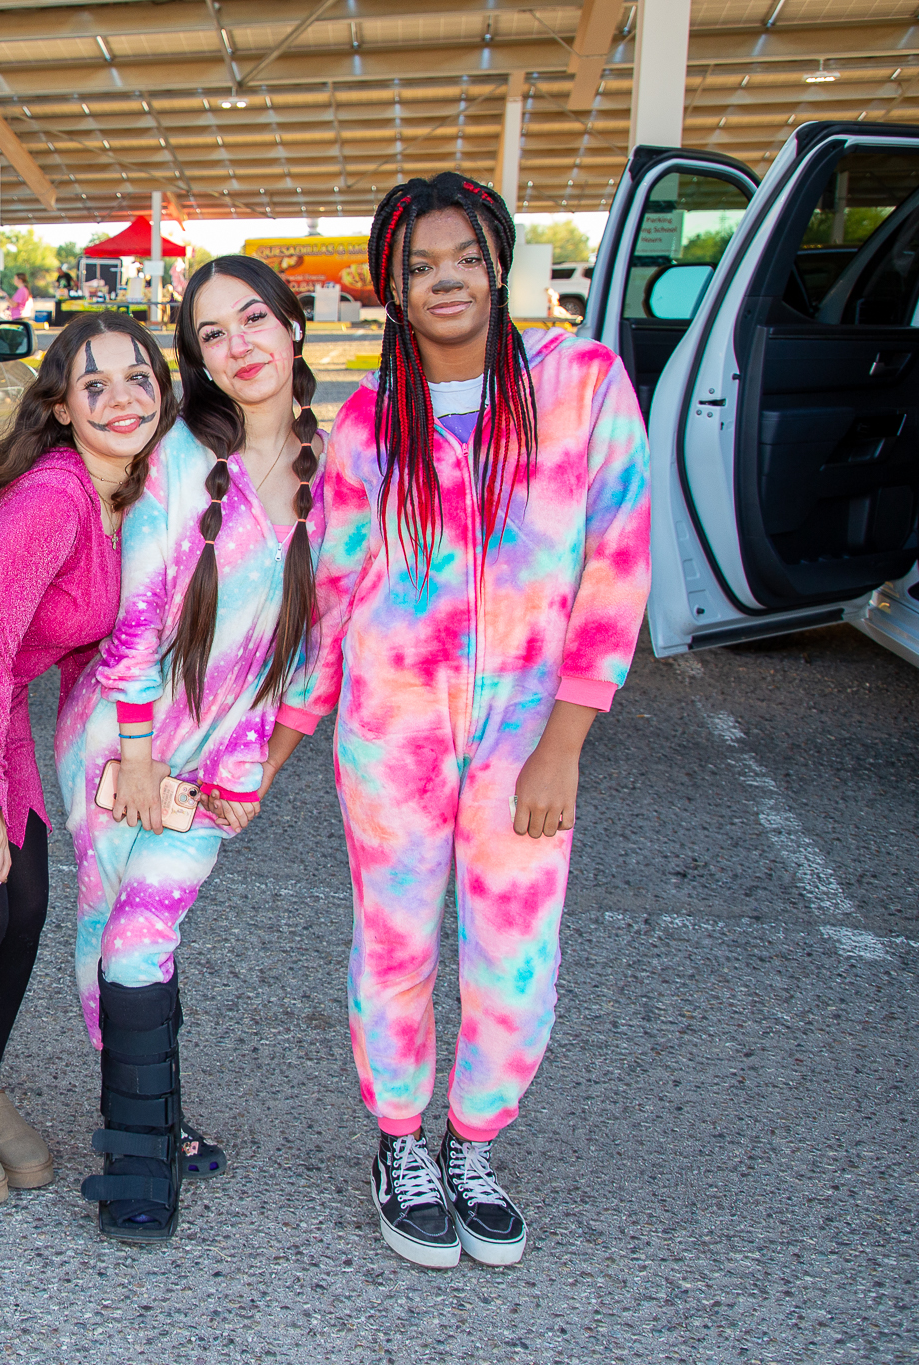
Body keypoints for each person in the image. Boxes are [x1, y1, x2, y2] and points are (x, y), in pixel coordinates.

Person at [271, 173, 650, 1269]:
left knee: (513, 953)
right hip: (387, 738)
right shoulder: (362, 421)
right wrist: (277, 747)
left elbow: (615, 566)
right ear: (388, 284)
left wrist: (563, 742)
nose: (445, 279)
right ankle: (398, 1144)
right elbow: (333, 596)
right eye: (418, 264)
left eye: (465, 257)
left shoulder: (579, 383)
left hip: (526, 736)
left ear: (498, 264)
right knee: (391, 946)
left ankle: (473, 1142)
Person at [56, 255, 327, 1243]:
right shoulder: (180, 455)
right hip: (114, 742)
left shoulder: (332, 474)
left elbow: (313, 666)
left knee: (141, 936)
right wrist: (131, 755)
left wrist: (258, 775)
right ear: (197, 358)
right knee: (104, 938)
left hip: (213, 765)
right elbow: (134, 617)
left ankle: (136, 1157)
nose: (236, 345)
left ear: (292, 325)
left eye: (251, 318)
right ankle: (150, 1126)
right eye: (211, 334)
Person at [0, 311, 175, 1209]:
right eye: (96, 385)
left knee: (27, 907)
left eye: (140, 377)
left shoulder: (128, 491)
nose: (123, 398)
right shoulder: (54, 498)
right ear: (59, 407)